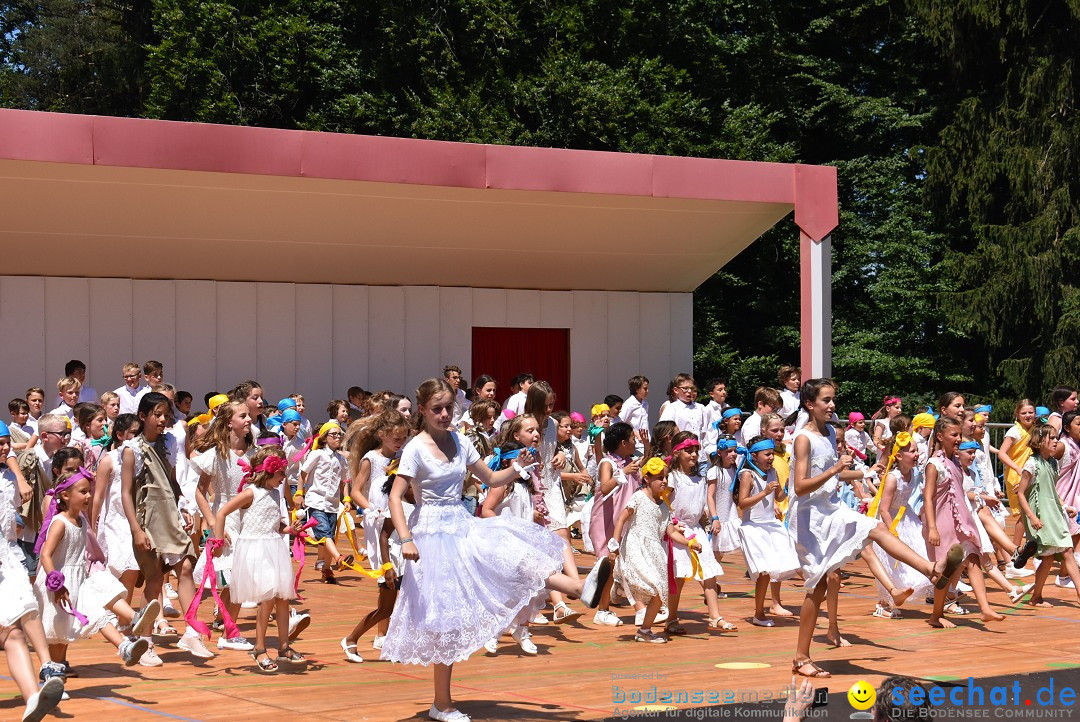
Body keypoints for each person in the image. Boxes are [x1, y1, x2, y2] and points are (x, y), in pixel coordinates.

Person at [382, 378, 587, 722]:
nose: (445, 414)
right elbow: (394, 496)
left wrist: (517, 467)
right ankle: (442, 704)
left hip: (461, 525)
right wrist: (405, 538)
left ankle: (578, 587)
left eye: (449, 408)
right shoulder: (416, 448)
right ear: (422, 411)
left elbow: (491, 480)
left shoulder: (461, 442)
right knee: (444, 619)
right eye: (437, 409)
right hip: (431, 535)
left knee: (509, 554)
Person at [789, 379, 961, 677]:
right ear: (809, 404)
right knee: (816, 589)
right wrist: (834, 469)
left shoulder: (830, 432)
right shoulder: (803, 438)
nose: (832, 406)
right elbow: (801, 486)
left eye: (833, 400)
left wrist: (866, 471)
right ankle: (801, 657)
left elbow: (835, 476)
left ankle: (931, 569)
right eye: (826, 400)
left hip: (830, 509)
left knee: (876, 529)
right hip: (809, 519)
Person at [33, 467, 159, 671]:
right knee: (58, 635)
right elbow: (46, 554)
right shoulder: (60, 523)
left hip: (78, 580)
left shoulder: (81, 521)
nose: (89, 496)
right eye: (83, 492)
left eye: (89, 491)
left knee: (97, 611)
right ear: (65, 495)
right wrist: (56, 583)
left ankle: (125, 645)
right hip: (57, 584)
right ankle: (53, 674)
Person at [120, 392, 210, 659]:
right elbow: (126, 493)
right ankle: (145, 641)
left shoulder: (170, 442)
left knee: (184, 567)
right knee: (154, 578)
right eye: (157, 415)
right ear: (142, 416)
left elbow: (172, 480)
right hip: (147, 519)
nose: (162, 420)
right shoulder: (131, 449)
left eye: (166, 415)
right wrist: (137, 529)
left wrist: (183, 506)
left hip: (170, 515)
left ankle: (192, 633)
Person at [210, 446, 303, 673]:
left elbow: (273, 522)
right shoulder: (251, 493)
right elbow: (222, 512)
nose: (284, 478)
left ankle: (283, 646)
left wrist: (288, 528)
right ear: (268, 472)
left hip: (274, 547)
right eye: (281, 473)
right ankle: (260, 648)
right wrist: (219, 540)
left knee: (282, 598)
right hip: (255, 550)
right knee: (268, 597)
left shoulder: (274, 493)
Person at [609, 456, 699, 644]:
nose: (664, 481)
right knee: (651, 586)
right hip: (635, 546)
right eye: (659, 477)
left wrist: (689, 543)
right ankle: (621, 587)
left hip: (655, 551)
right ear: (647, 479)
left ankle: (644, 630)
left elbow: (671, 532)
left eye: (665, 477)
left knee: (659, 594)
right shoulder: (639, 497)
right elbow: (621, 519)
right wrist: (614, 543)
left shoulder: (665, 506)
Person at [923, 417, 1003, 626]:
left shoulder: (955, 461)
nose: (958, 439)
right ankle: (936, 614)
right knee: (946, 571)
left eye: (959, 435)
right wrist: (932, 527)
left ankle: (984, 608)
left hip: (960, 521)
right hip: (942, 523)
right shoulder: (934, 464)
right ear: (940, 436)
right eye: (954, 435)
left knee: (974, 558)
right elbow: (928, 497)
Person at [735, 437, 799, 627]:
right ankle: (758, 613)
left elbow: (779, 496)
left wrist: (786, 486)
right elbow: (743, 503)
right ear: (754, 456)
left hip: (770, 525)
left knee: (779, 565)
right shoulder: (748, 475)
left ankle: (815, 589)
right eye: (767, 454)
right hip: (753, 527)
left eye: (772, 454)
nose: (771, 458)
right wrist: (763, 492)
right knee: (763, 572)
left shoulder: (772, 472)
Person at [1017, 423, 1080, 608]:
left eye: (1055, 437)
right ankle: (1037, 596)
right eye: (1051, 438)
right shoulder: (1032, 463)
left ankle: (1074, 593)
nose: (1055, 441)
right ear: (1039, 441)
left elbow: (1052, 491)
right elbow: (1021, 493)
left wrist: (1064, 506)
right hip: (1040, 514)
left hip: (1054, 513)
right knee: (1053, 555)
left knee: (1061, 552)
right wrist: (1032, 517)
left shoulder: (1052, 463)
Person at [998, 399, 1038, 549]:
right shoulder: (1014, 431)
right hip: (1017, 476)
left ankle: (1029, 546)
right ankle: (1015, 551)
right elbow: (1002, 453)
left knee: (1032, 511)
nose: (1028, 415)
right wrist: (1017, 468)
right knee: (1023, 513)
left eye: (1030, 412)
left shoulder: (1034, 429)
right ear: (1017, 414)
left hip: (1031, 474)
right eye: (1024, 413)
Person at [619, 375, 651, 453]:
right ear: (636, 389)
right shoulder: (629, 404)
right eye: (644, 389)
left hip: (646, 442)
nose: (647, 391)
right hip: (636, 444)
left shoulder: (645, 403)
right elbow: (620, 421)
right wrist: (635, 433)